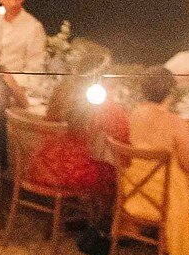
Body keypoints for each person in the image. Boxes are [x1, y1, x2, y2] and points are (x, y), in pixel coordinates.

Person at [125, 63, 189, 255]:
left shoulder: (135, 114)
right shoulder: (174, 122)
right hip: (166, 199)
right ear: (170, 92)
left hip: (135, 191)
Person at [30, 73, 121, 227]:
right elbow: (120, 128)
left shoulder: (62, 90)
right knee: (110, 174)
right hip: (66, 174)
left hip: (40, 167)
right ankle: (101, 226)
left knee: (97, 165)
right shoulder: (95, 102)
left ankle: (77, 214)